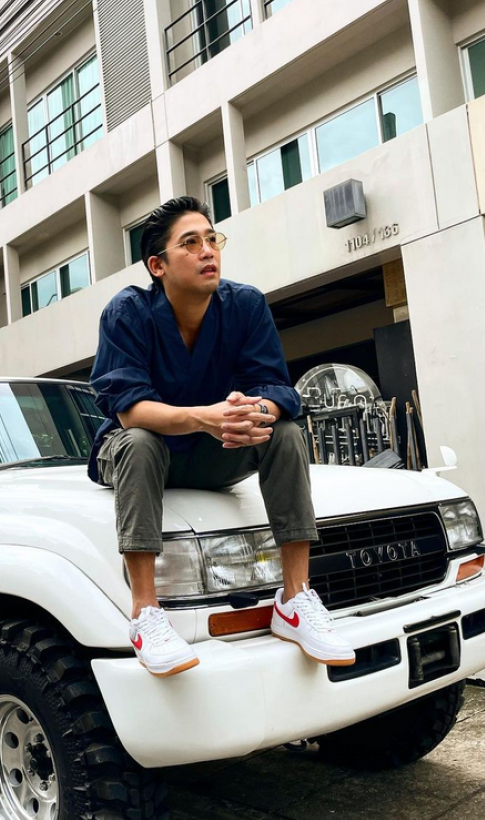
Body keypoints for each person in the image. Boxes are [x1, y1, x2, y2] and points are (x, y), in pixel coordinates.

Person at [88, 196, 356, 677]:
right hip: (144, 455)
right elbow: (129, 410)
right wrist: (204, 418)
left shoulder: (245, 305)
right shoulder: (127, 312)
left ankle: (295, 600)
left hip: (216, 449)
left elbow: (277, 389)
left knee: (283, 430)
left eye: (212, 239)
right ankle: (146, 612)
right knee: (140, 440)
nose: (208, 250)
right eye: (190, 243)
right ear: (157, 265)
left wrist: (250, 412)